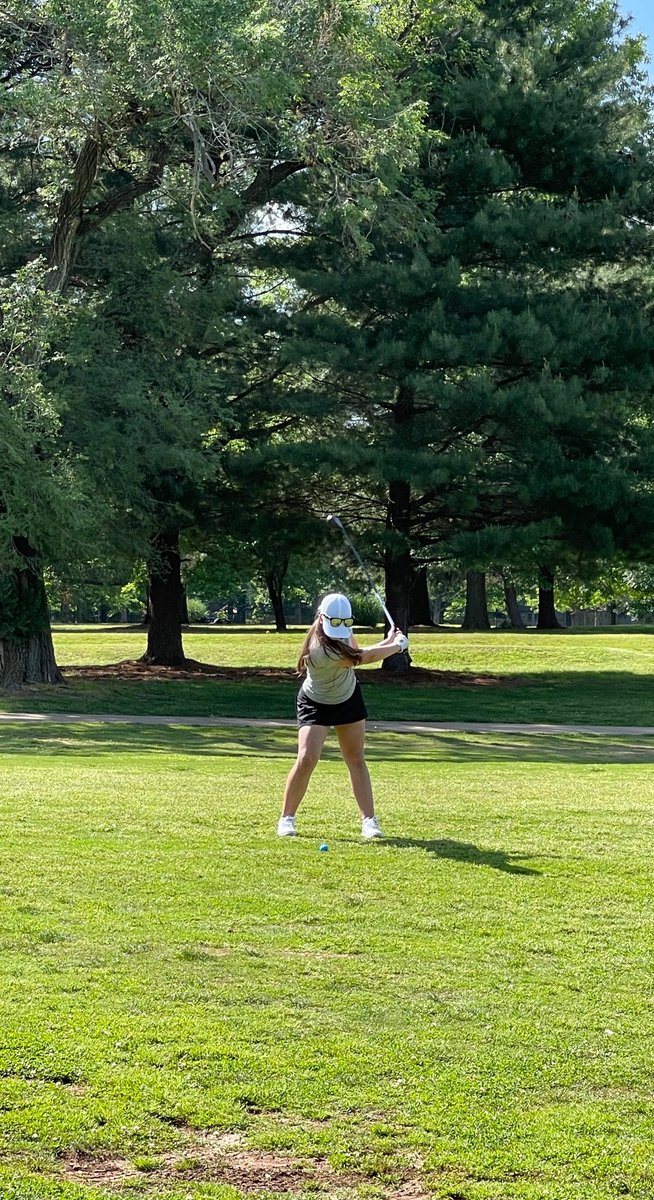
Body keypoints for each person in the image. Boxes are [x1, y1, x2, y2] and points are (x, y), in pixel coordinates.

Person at [278, 592, 408, 840]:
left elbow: (359, 651)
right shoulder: (318, 650)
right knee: (306, 757)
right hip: (315, 703)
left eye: (346, 625)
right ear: (321, 619)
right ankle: (287, 818)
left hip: (347, 698)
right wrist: (398, 646)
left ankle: (369, 821)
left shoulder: (343, 633)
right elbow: (361, 658)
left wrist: (388, 641)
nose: (342, 630)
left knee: (355, 758)